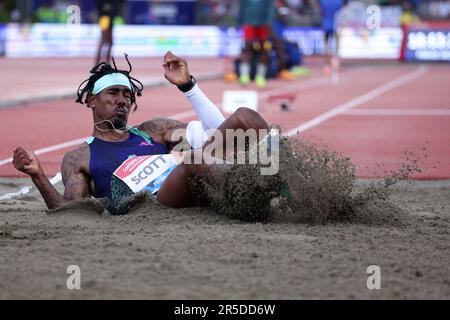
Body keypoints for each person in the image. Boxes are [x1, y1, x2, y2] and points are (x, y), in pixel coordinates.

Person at [12, 51, 273, 211]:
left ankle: (283, 173)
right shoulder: (79, 158)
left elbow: (215, 134)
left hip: (200, 177)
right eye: (113, 93)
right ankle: (251, 188)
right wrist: (37, 175)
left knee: (243, 117)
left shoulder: (153, 130)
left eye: (127, 95)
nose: (122, 100)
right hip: (158, 202)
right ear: (92, 100)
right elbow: (71, 211)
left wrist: (188, 87)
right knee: (193, 159)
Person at [237, 0, 276, 88]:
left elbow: (270, 8)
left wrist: (268, 22)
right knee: (247, 49)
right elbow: (242, 8)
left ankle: (260, 76)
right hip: (249, 23)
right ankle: (244, 75)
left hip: (263, 24)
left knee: (264, 51)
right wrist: (239, 23)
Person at [318, 0, 344, 76]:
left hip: (326, 23)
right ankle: (336, 63)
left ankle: (327, 65)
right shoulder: (339, 2)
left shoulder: (323, 1)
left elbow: (321, 11)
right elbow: (341, 12)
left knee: (326, 45)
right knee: (337, 44)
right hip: (336, 23)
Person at [95, 0, 119, 65]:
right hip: (104, 18)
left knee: (110, 42)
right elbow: (100, 7)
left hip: (110, 19)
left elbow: (115, 8)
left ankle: (106, 62)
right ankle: (98, 62)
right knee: (103, 40)